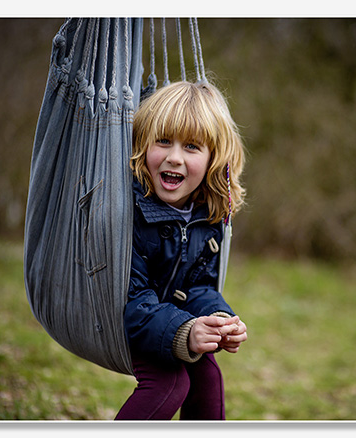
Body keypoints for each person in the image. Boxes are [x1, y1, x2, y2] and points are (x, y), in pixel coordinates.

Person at [115, 80, 248, 420]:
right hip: (122, 319)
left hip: (165, 321)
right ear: (142, 144)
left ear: (213, 160)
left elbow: (198, 285)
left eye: (191, 146)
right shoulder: (127, 211)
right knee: (169, 384)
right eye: (162, 141)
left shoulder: (207, 215)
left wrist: (219, 320)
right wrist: (185, 332)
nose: (174, 157)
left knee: (208, 376)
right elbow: (132, 298)